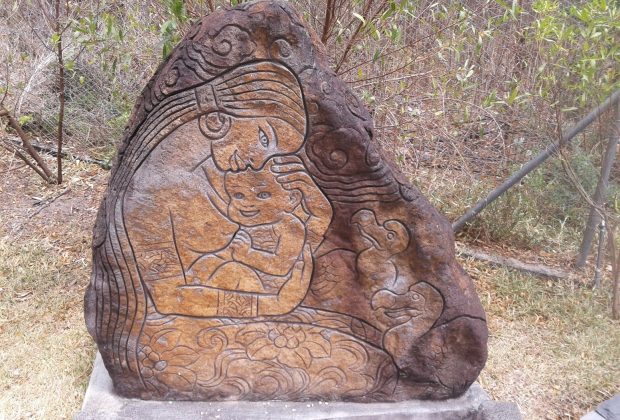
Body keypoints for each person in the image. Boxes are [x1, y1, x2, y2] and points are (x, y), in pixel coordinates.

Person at [187, 158, 306, 293]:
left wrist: (247, 254)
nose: (247, 203)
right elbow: (229, 254)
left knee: (234, 270)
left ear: (291, 199)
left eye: (262, 194)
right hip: (237, 277)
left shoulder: (290, 226)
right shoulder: (243, 226)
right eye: (239, 195)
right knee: (207, 262)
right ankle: (192, 296)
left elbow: (281, 267)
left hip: (272, 287)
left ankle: (205, 297)